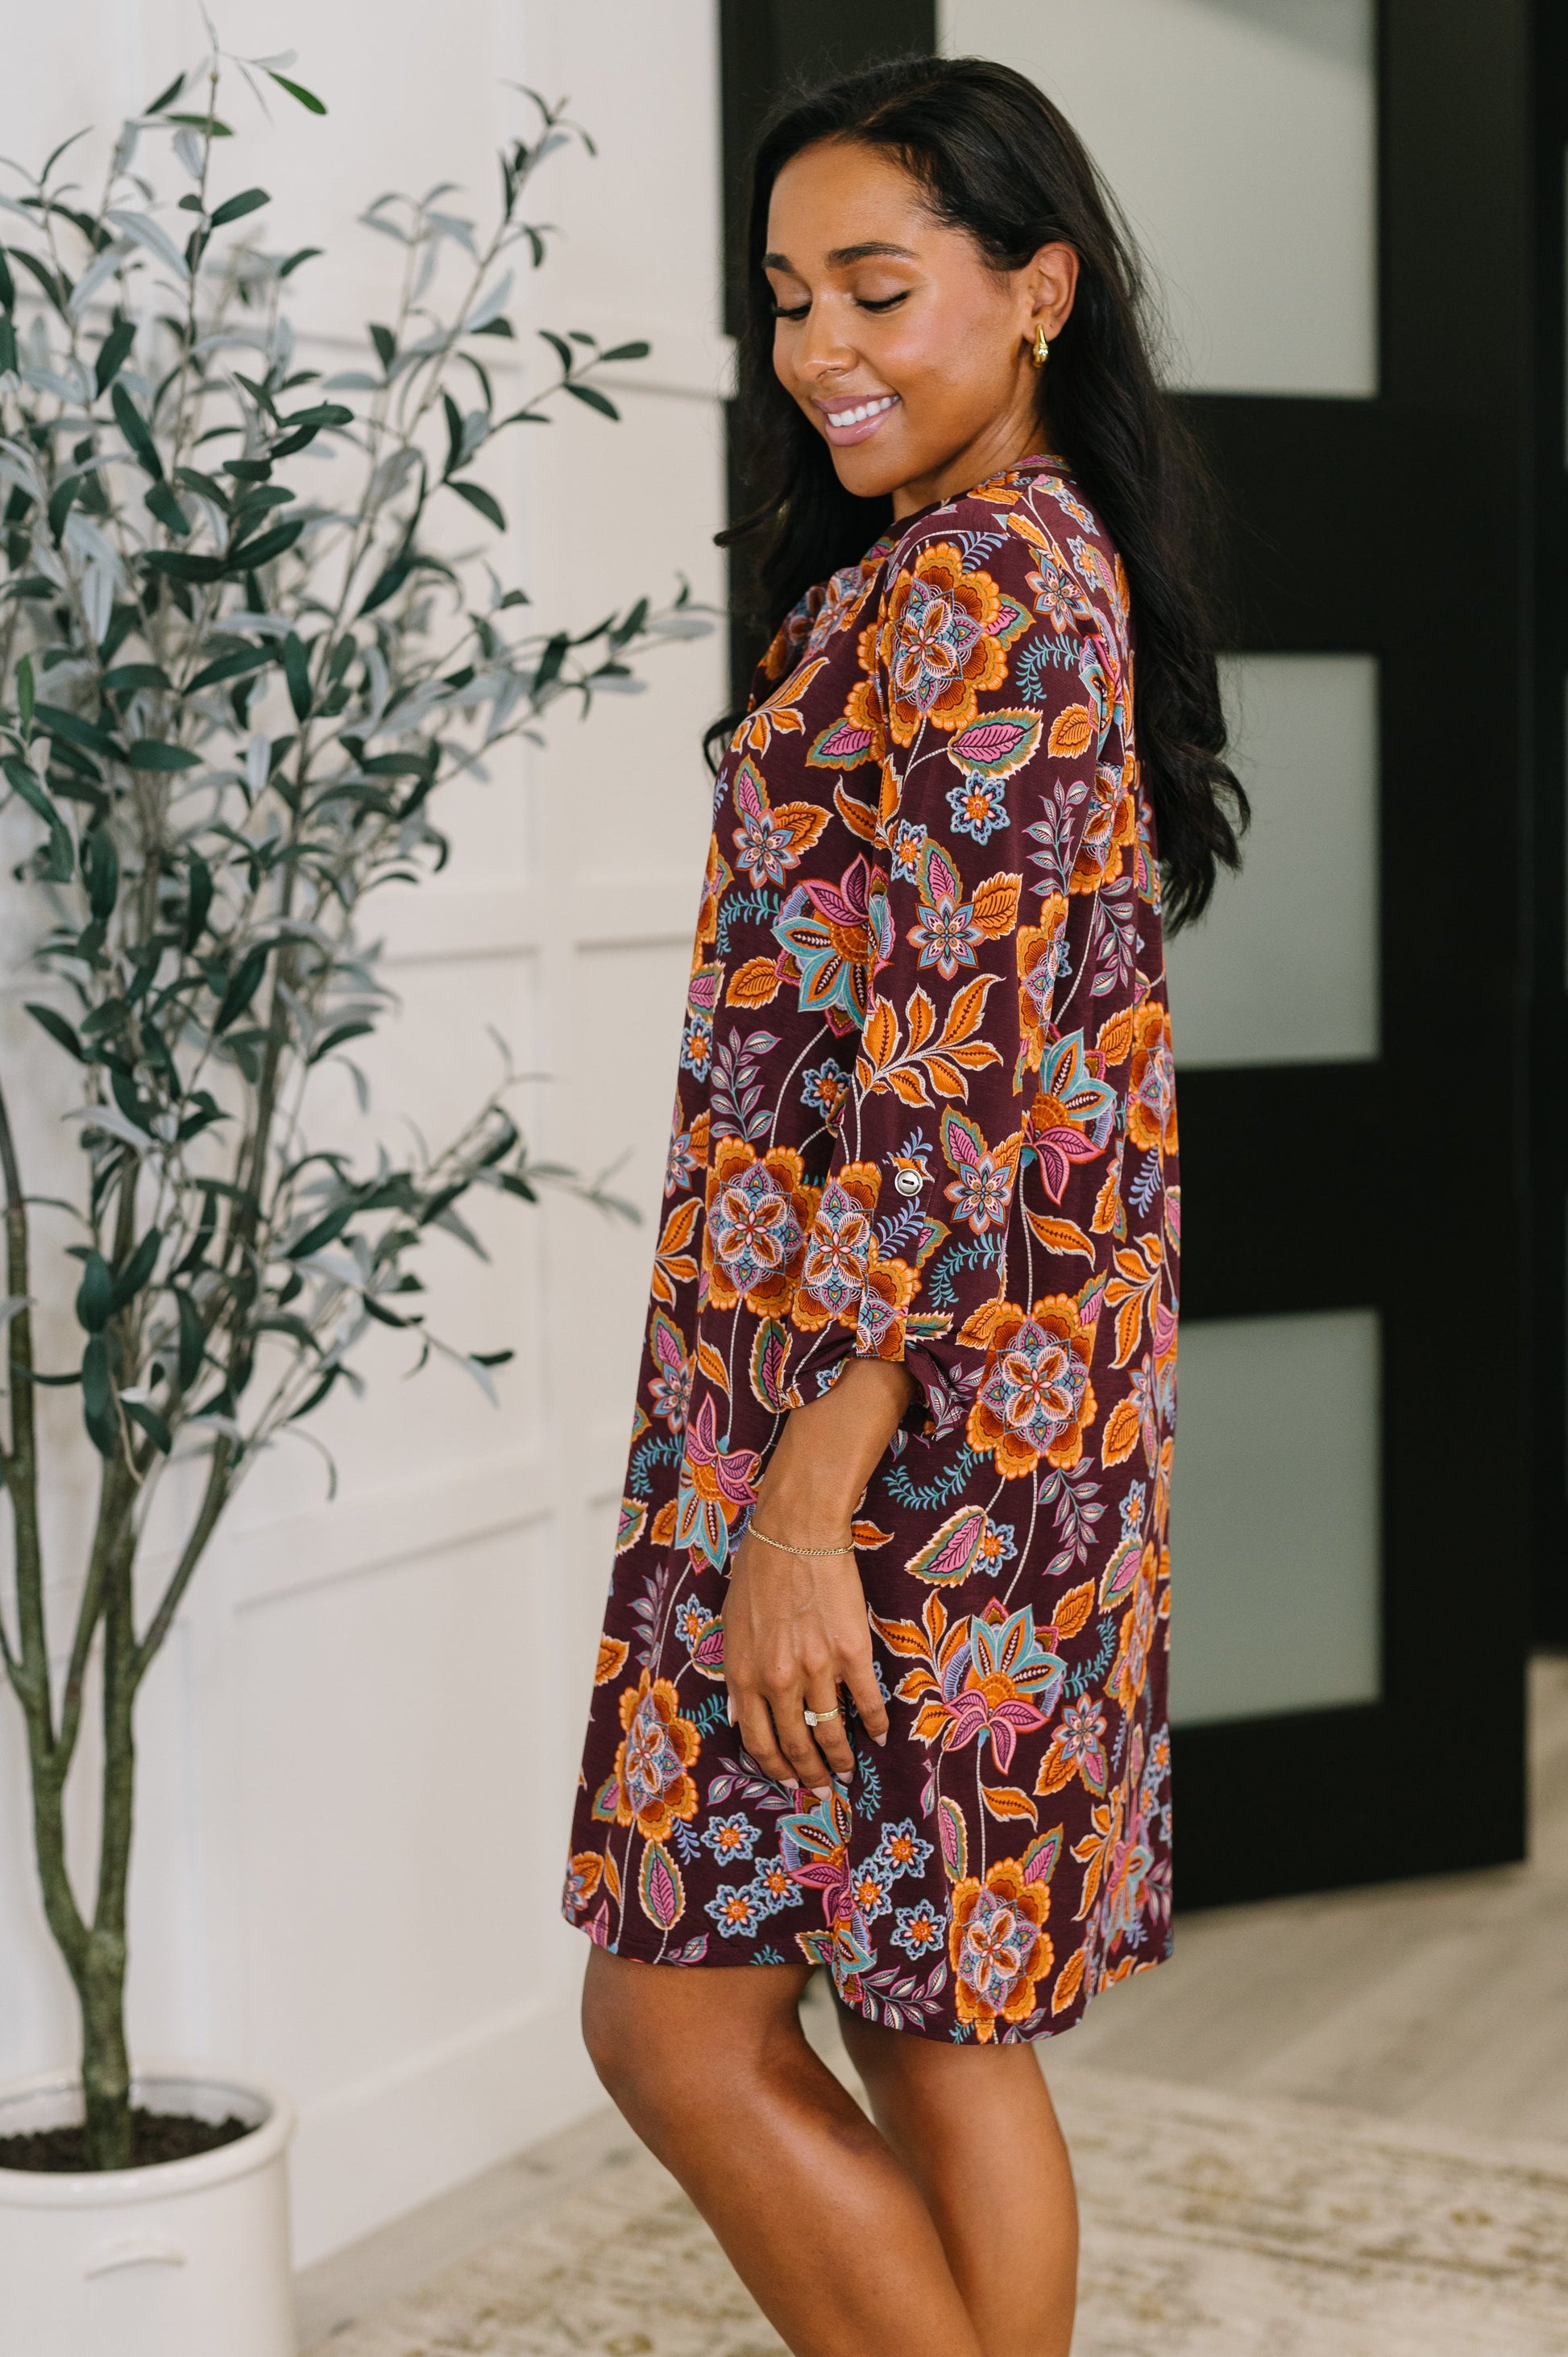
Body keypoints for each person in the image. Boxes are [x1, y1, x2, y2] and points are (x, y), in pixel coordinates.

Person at [561, 53, 1244, 2357]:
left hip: (884, 1428)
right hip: (966, 1397)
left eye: (876, 288)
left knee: (688, 2025)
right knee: (928, 2012)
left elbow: (946, 1091)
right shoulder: (1024, 562)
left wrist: (799, 1505)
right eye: (786, 299)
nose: (818, 350)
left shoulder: (976, 585)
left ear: (1038, 291)